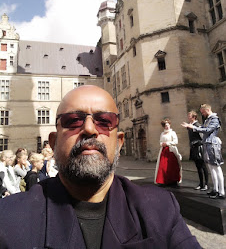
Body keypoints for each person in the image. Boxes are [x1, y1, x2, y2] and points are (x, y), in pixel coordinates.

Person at [0, 85, 201, 248]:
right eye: (73, 120)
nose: (89, 129)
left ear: (120, 143)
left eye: (104, 121)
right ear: (53, 143)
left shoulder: (160, 209)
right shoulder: (8, 220)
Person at [182, 104, 224, 199]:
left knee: (217, 168)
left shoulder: (214, 119)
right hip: (207, 144)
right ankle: (215, 189)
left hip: (212, 144)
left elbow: (207, 130)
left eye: (203, 112)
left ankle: (221, 191)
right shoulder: (208, 120)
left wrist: (193, 128)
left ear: (208, 110)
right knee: (211, 168)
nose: (202, 114)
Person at [155, 119, 182, 186]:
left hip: (171, 151)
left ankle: (173, 180)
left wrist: (167, 143)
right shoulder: (162, 133)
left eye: (168, 125)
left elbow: (175, 142)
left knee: (172, 166)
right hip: (164, 151)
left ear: (169, 125)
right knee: (163, 166)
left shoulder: (173, 133)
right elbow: (160, 142)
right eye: (165, 125)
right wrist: (162, 144)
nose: (167, 127)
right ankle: (163, 180)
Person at [187, 111, 209, 191]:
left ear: (193, 117)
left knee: (203, 166)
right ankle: (201, 184)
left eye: (189, 115)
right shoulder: (190, 126)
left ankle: (206, 184)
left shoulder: (198, 126)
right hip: (194, 148)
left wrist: (197, 143)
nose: (188, 117)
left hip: (199, 148)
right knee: (198, 167)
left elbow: (203, 138)